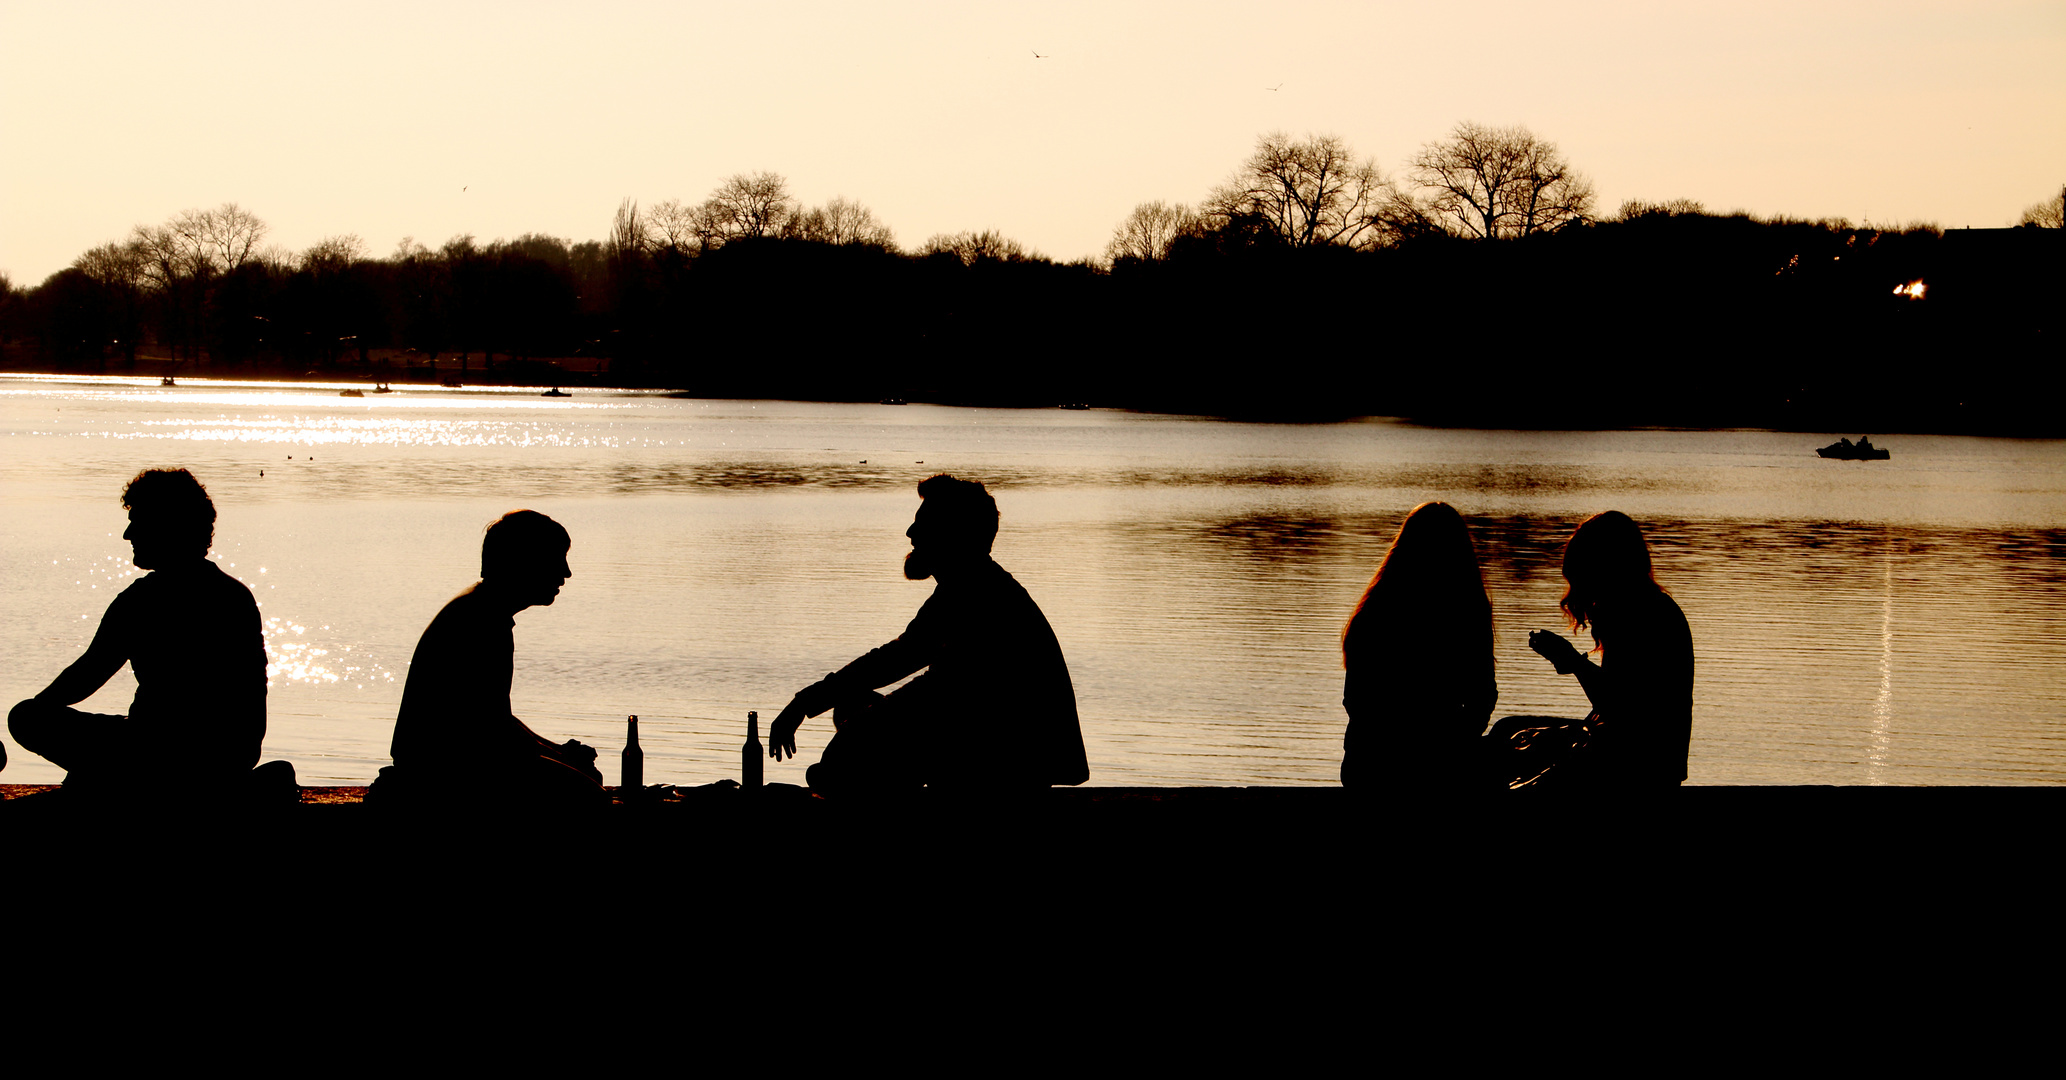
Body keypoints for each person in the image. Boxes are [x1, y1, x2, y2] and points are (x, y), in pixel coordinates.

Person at [767, 475, 1087, 799]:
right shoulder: (978, 583)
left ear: (952, 535)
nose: (910, 533)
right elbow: (916, 671)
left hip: (1008, 761)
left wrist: (805, 705)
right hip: (993, 740)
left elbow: (899, 661)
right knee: (849, 709)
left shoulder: (972, 592)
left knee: (837, 766)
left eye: (923, 524)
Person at [9, 468, 268, 795]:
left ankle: (100, 785)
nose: (127, 535)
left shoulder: (142, 600)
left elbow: (87, 674)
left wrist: (36, 710)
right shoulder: (234, 594)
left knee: (25, 717)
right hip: (230, 759)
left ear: (166, 527)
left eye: (138, 521)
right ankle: (96, 782)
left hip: (158, 754)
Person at [380, 510, 605, 808]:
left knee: (586, 776)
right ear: (525, 561)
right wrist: (557, 756)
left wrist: (557, 751)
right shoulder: (481, 621)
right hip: (440, 770)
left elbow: (495, 717)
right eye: (556, 559)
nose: (566, 572)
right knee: (590, 797)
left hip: (452, 762)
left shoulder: (484, 609)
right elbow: (490, 731)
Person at [1494, 511, 1694, 790]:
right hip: (1649, 757)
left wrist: (1573, 661)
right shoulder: (1650, 607)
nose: (1577, 591)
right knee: (1508, 729)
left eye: (1581, 577)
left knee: (1510, 760)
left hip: (1639, 766)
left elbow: (1619, 707)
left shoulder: (1640, 615)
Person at [1340, 501, 1498, 791]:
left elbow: (1356, 700)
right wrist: (1456, 745)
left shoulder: (1376, 611)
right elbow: (1482, 695)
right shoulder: (1468, 610)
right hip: (1437, 763)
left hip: (1370, 764)